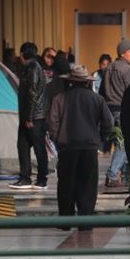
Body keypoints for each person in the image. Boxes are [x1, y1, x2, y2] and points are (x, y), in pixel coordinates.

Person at [47, 64, 114, 219]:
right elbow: (108, 122)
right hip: (89, 146)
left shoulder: (59, 98)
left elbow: (52, 122)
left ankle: (66, 220)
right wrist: (102, 139)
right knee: (88, 185)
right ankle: (86, 220)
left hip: (67, 147)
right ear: (87, 82)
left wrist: (57, 139)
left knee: (66, 184)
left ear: (71, 81)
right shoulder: (97, 99)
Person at [10, 41, 49, 191]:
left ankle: (41, 179)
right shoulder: (33, 67)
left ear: (22, 54)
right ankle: (25, 178)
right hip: (31, 115)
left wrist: (29, 118)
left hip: (34, 117)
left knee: (38, 148)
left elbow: (32, 93)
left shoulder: (32, 68)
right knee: (23, 146)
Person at [101, 37, 130, 188]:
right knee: (124, 142)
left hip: (110, 110)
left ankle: (120, 175)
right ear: (123, 53)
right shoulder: (126, 69)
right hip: (123, 109)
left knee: (119, 141)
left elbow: (102, 90)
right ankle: (113, 174)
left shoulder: (109, 68)